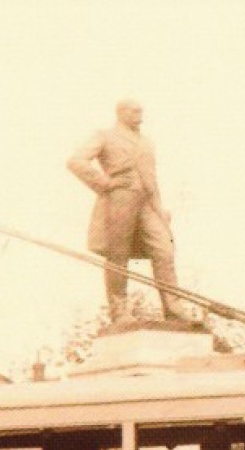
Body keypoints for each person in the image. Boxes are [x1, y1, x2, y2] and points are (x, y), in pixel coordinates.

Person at [68, 99, 190, 323]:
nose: (140, 115)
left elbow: (152, 178)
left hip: (148, 202)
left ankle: (173, 308)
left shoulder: (147, 142)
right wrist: (104, 183)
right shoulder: (105, 135)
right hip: (119, 199)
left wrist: (160, 210)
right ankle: (119, 311)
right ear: (121, 113)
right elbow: (76, 161)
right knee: (118, 254)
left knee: (164, 250)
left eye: (141, 110)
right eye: (135, 111)